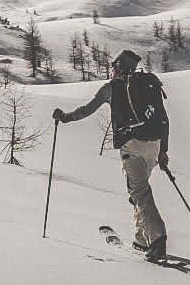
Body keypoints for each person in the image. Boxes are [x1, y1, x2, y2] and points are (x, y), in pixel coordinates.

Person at [52, 50, 171, 261]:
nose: (112, 70)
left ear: (119, 67)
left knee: (140, 192)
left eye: (114, 66)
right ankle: (141, 239)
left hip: (131, 146)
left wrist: (65, 118)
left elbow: (86, 110)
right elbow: (164, 118)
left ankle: (157, 239)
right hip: (154, 144)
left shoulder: (111, 88)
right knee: (137, 191)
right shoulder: (148, 85)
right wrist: (163, 151)